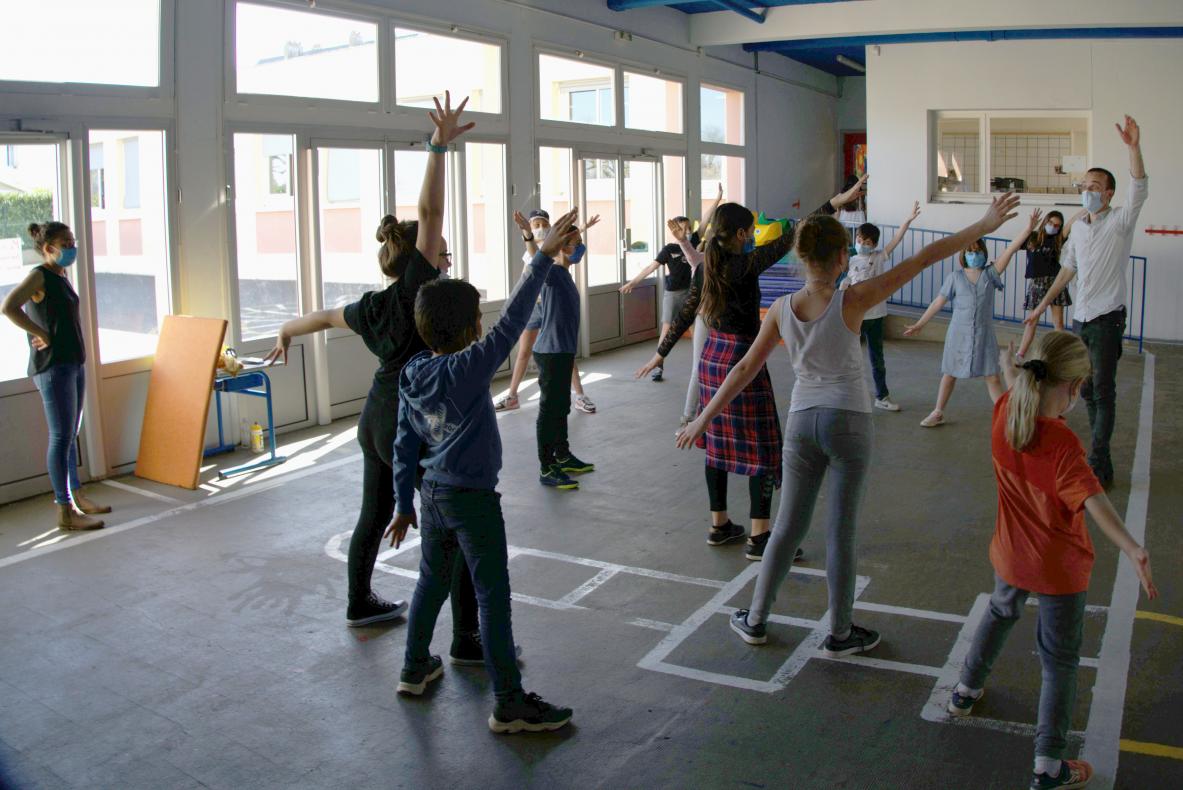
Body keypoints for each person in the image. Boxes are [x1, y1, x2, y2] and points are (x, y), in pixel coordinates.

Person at [683, 193, 1020, 654]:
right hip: (850, 422)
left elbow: (741, 369)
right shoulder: (856, 298)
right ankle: (841, 632)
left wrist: (702, 418)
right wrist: (984, 223)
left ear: (800, 256)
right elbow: (927, 256)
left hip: (803, 424)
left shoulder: (782, 308)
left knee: (785, 529)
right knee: (841, 532)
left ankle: (756, 619)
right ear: (843, 257)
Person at [263, 93, 482, 645]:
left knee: (373, 511)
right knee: (452, 526)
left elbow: (322, 316)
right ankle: (467, 639)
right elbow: (431, 213)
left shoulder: (371, 306)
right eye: (441, 255)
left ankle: (360, 603)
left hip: (375, 418)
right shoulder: (418, 288)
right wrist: (437, 148)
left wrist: (286, 332)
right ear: (419, 260)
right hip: (417, 421)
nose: (446, 261)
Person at [385, 207, 581, 734]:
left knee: (432, 581)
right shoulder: (469, 365)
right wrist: (540, 256)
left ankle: (413, 667)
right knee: (493, 596)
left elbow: (404, 444)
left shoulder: (413, 372)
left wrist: (404, 503)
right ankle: (510, 702)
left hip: (432, 497)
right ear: (472, 326)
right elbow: (516, 317)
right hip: (473, 501)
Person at [947, 331, 1157, 790]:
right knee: (1059, 661)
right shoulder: (1063, 445)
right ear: (1073, 387)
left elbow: (1005, 385)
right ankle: (1048, 765)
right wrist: (1132, 547)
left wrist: (1006, 366)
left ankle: (964, 691)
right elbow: (1096, 504)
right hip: (1059, 569)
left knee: (1001, 611)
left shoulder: (1005, 414)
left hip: (1011, 555)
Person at [636, 180, 865, 560]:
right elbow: (794, 233)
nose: (754, 238)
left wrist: (661, 353)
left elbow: (686, 312)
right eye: (751, 232)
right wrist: (833, 203)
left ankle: (719, 524)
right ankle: (760, 538)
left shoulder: (706, 265)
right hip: (743, 357)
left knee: (716, 444)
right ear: (741, 233)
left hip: (712, 358)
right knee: (763, 445)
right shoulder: (747, 263)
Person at [1024, 116, 1148, 489]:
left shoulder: (1121, 221)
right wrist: (1041, 307)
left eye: (1096, 186)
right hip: (1080, 318)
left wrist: (1132, 147)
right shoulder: (1077, 228)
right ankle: (1097, 452)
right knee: (1088, 389)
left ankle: (1098, 460)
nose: (1088, 190)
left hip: (1108, 319)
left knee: (1104, 387)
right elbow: (1066, 272)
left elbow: (1139, 186)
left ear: (1109, 193)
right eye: (1085, 185)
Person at [2, 222, 111, 530]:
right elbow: (8, 307)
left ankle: (77, 496)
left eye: (72, 240)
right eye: (65, 242)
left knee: (70, 434)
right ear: (48, 248)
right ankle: (65, 511)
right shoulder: (40, 276)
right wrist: (39, 333)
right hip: (52, 366)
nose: (71, 246)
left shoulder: (61, 277)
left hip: (73, 362)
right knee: (61, 436)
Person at [904, 209, 1040, 427]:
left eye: (978, 251)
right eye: (970, 251)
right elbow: (938, 301)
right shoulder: (955, 277)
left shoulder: (990, 274)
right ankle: (938, 412)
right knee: (949, 374)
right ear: (963, 254)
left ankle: (1007, 415)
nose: (974, 254)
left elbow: (1011, 249)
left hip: (984, 334)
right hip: (958, 333)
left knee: (992, 376)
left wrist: (1027, 230)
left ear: (984, 253)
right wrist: (921, 323)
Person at [495, 209, 597, 414]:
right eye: (536, 224)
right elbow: (536, 259)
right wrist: (527, 233)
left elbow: (571, 244)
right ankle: (512, 396)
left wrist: (582, 228)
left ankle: (579, 395)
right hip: (535, 305)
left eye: (544, 224)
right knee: (525, 351)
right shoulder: (541, 252)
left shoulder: (558, 255)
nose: (541, 228)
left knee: (564, 350)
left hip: (552, 304)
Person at [620, 184, 724, 383]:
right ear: (674, 230)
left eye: (688, 228)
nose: (686, 231)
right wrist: (632, 282)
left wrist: (718, 198)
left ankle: (701, 364)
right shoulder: (669, 249)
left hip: (691, 293)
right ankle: (658, 366)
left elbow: (706, 219)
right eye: (681, 228)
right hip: (673, 294)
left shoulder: (693, 242)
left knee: (697, 330)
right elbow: (650, 268)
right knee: (667, 331)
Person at [840, 201, 922, 411]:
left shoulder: (878, 257)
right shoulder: (848, 259)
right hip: (856, 317)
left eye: (866, 241)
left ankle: (882, 396)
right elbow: (843, 286)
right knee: (849, 358)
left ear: (874, 244)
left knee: (878, 359)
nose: (862, 243)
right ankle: (847, 396)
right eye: (859, 239)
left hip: (876, 316)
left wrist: (908, 220)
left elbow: (896, 239)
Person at [530, 228, 594, 490]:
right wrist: (528, 237)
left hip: (562, 350)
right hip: (550, 351)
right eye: (576, 243)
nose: (580, 248)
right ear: (562, 247)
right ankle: (547, 466)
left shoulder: (564, 274)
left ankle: (563, 455)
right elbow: (536, 263)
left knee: (562, 407)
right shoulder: (553, 273)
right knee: (550, 411)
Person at [1015, 209, 1085, 360]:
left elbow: (1072, 221)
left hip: (1055, 282)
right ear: (1045, 221)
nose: (1053, 226)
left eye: (1057, 225)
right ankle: (1021, 353)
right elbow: (1015, 245)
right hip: (1037, 283)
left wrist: (1087, 208)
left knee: (1058, 322)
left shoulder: (1058, 239)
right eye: (1051, 223)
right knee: (1032, 321)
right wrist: (1029, 227)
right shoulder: (1032, 237)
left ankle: (1060, 355)